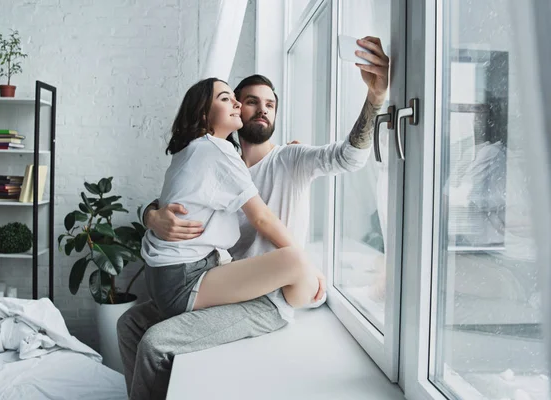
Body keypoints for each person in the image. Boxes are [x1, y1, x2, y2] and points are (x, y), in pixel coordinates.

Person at [118, 36, 390, 400]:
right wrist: (152, 217)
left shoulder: (291, 159)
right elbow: (170, 198)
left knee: (155, 342)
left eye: (271, 105)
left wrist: (375, 100)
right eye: (250, 101)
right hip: (215, 285)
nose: (262, 110)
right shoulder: (215, 158)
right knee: (129, 323)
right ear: (235, 110)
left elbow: (348, 158)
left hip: (265, 297)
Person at [141, 77, 324, 320]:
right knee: (296, 260)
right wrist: (309, 269)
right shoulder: (216, 150)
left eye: (235, 100)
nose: (236, 105)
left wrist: (149, 213)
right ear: (204, 114)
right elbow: (262, 218)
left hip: (166, 276)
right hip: (183, 279)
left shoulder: (191, 150)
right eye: (226, 99)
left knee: (294, 264)